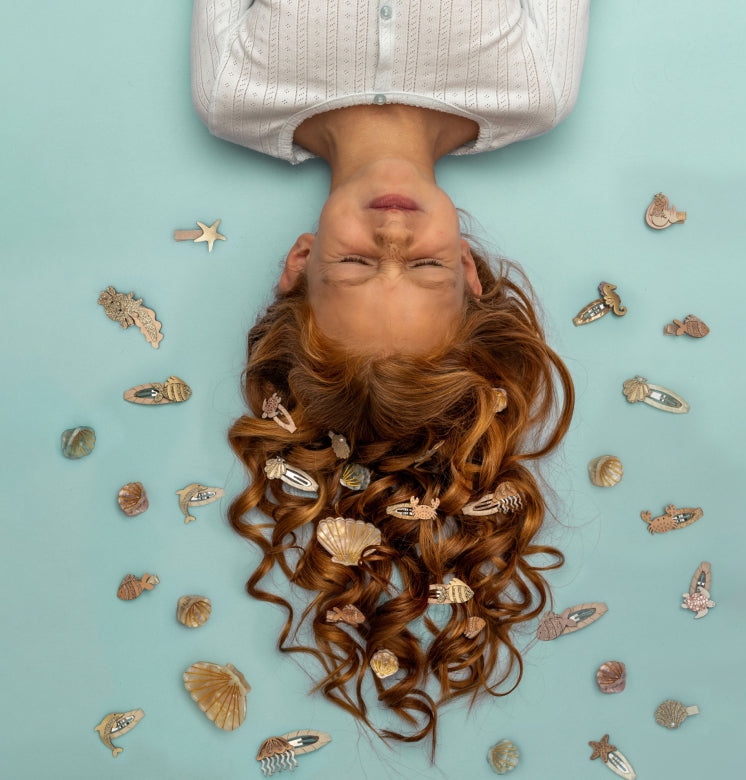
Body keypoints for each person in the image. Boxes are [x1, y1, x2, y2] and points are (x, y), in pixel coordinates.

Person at [191, 0, 589, 749]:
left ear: (301, 264)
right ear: (468, 267)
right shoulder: (532, 90)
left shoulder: (235, 94)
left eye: (357, 264)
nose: (394, 232)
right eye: (427, 266)